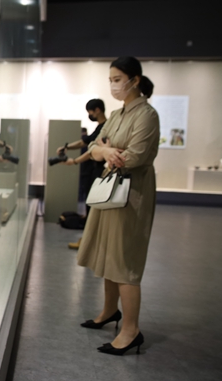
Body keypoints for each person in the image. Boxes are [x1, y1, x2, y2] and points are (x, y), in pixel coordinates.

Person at [77, 56, 159, 356]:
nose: (113, 85)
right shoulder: (116, 114)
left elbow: (134, 157)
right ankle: (110, 311)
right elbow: (93, 147)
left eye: (117, 79)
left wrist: (107, 150)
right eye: (110, 80)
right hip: (109, 189)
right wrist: (107, 149)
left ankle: (131, 330)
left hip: (131, 193)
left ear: (134, 80)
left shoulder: (146, 115)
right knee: (109, 254)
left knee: (125, 260)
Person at [56, 99, 108, 249]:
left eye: (90, 112)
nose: (89, 115)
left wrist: (74, 161)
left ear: (97, 110)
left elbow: (92, 151)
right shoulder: (100, 128)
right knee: (90, 206)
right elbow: (84, 142)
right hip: (92, 172)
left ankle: (88, 242)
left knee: (93, 207)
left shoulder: (105, 128)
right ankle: (88, 240)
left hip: (97, 171)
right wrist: (67, 147)